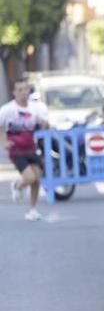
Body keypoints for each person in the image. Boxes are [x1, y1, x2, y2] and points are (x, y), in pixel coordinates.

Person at [1, 78, 49, 221]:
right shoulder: (7, 109)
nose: (23, 93)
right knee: (29, 177)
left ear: (29, 90)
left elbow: (45, 125)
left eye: (25, 89)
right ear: (14, 92)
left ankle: (32, 210)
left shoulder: (36, 108)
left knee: (36, 181)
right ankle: (17, 185)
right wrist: (3, 141)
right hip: (16, 150)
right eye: (19, 90)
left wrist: (44, 123)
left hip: (31, 148)